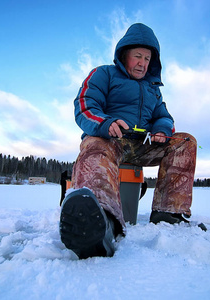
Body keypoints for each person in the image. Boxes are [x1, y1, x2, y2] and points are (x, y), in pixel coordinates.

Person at [59, 23, 198, 259]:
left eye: (147, 58)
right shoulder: (103, 74)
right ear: (124, 55)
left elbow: (164, 116)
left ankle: (168, 213)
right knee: (95, 144)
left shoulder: (153, 89)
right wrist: (105, 123)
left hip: (143, 145)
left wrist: (162, 130)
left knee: (185, 141)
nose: (143, 63)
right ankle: (103, 220)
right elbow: (84, 105)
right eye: (138, 56)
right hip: (110, 138)